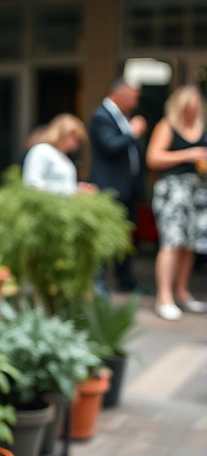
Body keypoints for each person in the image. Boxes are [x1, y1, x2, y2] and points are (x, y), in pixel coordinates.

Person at [146, 86, 207, 320]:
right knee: (171, 242)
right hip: (173, 190)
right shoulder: (166, 126)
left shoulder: (200, 128)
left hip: (196, 191)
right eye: (188, 107)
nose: (192, 111)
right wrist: (188, 154)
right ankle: (164, 297)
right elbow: (153, 158)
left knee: (188, 244)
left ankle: (182, 292)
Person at [88, 79, 147, 293]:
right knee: (107, 236)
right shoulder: (101, 117)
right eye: (131, 97)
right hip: (110, 188)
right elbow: (111, 146)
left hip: (127, 188)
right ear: (118, 95)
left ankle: (126, 282)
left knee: (125, 238)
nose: (134, 102)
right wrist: (133, 132)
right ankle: (99, 284)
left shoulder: (122, 117)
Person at [22, 114, 96, 195]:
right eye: (75, 139)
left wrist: (77, 188)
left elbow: (63, 185)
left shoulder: (64, 157)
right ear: (63, 133)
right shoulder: (41, 150)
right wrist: (72, 191)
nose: (76, 145)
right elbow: (32, 184)